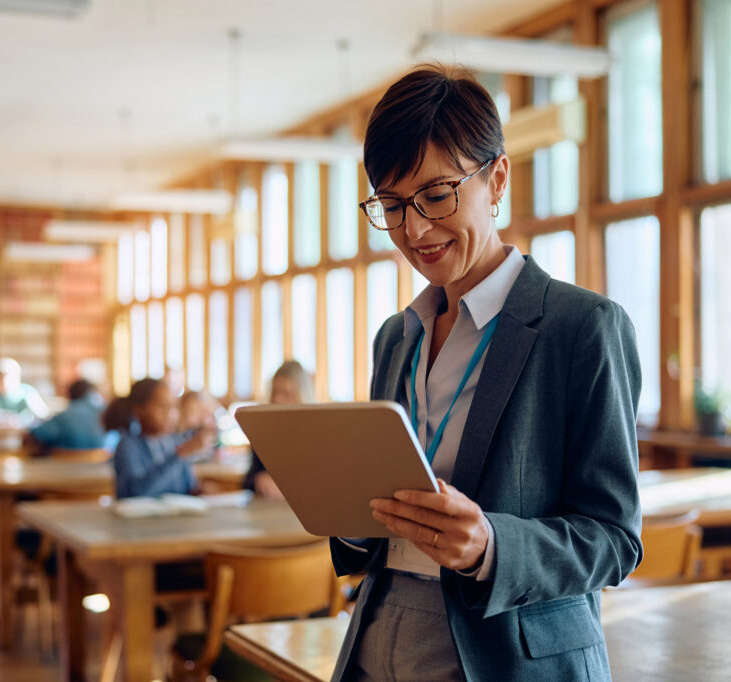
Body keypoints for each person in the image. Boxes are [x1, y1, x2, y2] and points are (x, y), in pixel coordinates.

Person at [329, 65, 643, 681]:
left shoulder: (582, 327)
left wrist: (490, 548)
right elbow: (376, 525)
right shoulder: (396, 337)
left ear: (497, 177)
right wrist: (343, 507)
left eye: (437, 195)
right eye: (391, 205)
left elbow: (615, 538)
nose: (414, 229)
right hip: (378, 636)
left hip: (504, 653)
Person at [113, 378, 215, 498]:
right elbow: (137, 493)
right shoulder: (128, 446)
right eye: (162, 407)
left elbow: (185, 488)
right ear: (139, 410)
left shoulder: (175, 442)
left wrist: (199, 490)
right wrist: (178, 455)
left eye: (173, 407)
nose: (171, 415)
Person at [242, 360, 314, 500]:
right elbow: (247, 481)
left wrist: (288, 489)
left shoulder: (316, 436)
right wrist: (259, 480)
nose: (277, 399)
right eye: (275, 392)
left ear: (301, 396)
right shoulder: (263, 434)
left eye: (285, 394)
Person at [25, 378, 105, 452]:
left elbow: (37, 434)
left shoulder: (65, 416)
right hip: (102, 464)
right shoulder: (104, 412)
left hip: (68, 464)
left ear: (69, 395)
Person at [0, 357, 50, 427]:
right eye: (0, 378)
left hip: (25, 437)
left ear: (17, 378)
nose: (4, 382)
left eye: (9, 377)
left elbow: (42, 416)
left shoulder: (27, 393)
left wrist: (21, 420)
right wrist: (0, 419)